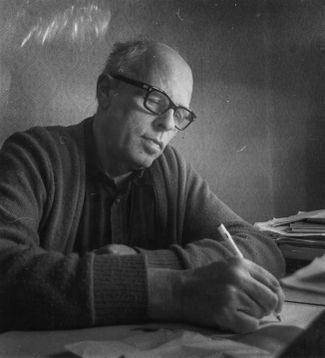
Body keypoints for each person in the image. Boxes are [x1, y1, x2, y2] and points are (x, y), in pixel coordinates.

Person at [0, 39, 285, 334]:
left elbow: (261, 248)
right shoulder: (35, 155)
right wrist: (170, 291)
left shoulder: (170, 169)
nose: (167, 124)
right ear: (106, 91)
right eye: (156, 100)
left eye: (180, 114)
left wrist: (146, 264)